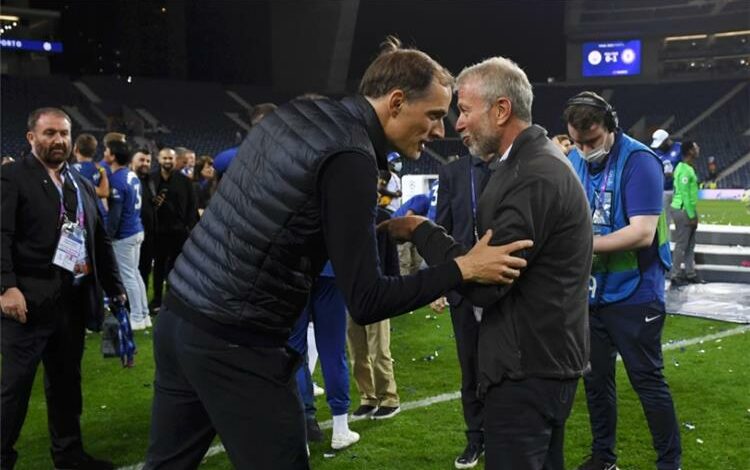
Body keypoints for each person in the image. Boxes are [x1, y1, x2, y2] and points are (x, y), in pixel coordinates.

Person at [143, 37, 531, 469]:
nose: (441, 131)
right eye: (435, 115)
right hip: (236, 339)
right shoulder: (352, 155)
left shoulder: (297, 114)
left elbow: (287, 208)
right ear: (396, 102)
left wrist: (375, 226)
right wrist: (462, 268)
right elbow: (367, 300)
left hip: (180, 315)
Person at [382, 56, 592, 470]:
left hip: (526, 367)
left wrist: (422, 232)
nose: (458, 124)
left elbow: (485, 282)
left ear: (501, 110)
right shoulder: (532, 162)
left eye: (464, 110)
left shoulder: (530, 174)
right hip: (541, 359)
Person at [1, 107, 126, 470]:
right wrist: (6, 287)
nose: (58, 140)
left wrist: (115, 287)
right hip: (27, 302)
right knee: (15, 389)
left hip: (71, 302)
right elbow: (1, 235)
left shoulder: (80, 182)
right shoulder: (12, 176)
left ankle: (69, 455)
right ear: (31, 138)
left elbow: (99, 240)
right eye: (50, 133)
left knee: (66, 384)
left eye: (64, 134)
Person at [565, 93, 681, 470]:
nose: (585, 151)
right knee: (596, 382)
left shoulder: (640, 160)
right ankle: (604, 458)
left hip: (636, 292)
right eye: (578, 142)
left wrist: (579, 246)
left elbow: (642, 233)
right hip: (593, 293)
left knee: (647, 380)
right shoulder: (573, 160)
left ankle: (669, 463)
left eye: (592, 141)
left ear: (611, 127)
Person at [433, 147, 496, 469]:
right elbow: (441, 231)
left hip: (503, 287)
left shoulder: (510, 167)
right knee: (470, 369)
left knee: (503, 367)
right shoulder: (453, 172)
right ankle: (475, 438)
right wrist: (439, 284)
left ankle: (502, 435)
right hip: (463, 289)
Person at [288, 262, 360, 450]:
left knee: (295, 353)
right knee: (333, 352)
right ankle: (340, 429)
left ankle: (302, 436)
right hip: (328, 270)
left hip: (294, 270)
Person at [347, 207, 402, 421]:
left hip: (377, 290)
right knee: (356, 350)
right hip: (351, 291)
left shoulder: (383, 217)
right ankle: (368, 397)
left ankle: (389, 398)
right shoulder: (344, 215)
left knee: (379, 348)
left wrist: (394, 289)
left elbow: (391, 257)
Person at [105, 140, 151, 330]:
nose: (105, 153)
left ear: (113, 156)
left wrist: (108, 236)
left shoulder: (117, 180)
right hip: (136, 228)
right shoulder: (131, 175)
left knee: (128, 276)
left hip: (125, 233)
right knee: (135, 273)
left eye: (107, 150)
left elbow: (115, 215)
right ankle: (144, 315)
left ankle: (138, 317)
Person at [150, 147, 198, 310]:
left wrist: (188, 227)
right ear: (159, 159)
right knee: (158, 267)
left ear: (175, 160)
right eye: (164, 158)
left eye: (170, 158)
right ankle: (157, 299)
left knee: (176, 267)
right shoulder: (151, 179)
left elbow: (192, 206)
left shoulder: (185, 181)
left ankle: (171, 299)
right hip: (158, 232)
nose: (167, 161)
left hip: (179, 232)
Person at [670, 141, 701, 286]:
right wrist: (691, 215)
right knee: (682, 244)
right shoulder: (684, 170)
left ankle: (690, 273)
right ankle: (675, 274)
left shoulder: (684, 167)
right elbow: (684, 194)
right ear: (690, 151)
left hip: (686, 209)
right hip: (683, 210)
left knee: (690, 244)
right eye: (695, 147)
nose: (698, 149)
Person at [393, 179, 438, 274]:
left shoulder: (431, 206)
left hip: (410, 233)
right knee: (405, 262)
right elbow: (407, 219)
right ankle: (403, 283)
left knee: (416, 262)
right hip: (399, 230)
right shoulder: (423, 199)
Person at [131, 149, 157, 290]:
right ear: (132, 161)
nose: (145, 163)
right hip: (130, 234)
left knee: (144, 271)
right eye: (141, 160)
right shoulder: (127, 179)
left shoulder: (150, 181)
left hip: (148, 234)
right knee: (130, 273)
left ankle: (142, 301)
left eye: (148, 161)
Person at [650, 129, 682, 227]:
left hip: (679, 190)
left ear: (667, 140)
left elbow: (688, 166)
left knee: (681, 220)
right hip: (663, 191)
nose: (659, 147)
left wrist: (675, 174)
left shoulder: (680, 148)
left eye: (661, 144)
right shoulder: (656, 153)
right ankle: (666, 238)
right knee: (664, 222)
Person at [71, 133, 109, 214]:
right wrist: (103, 172)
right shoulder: (98, 169)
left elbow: (103, 192)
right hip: (96, 212)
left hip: (82, 213)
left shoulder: (72, 170)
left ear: (76, 149)